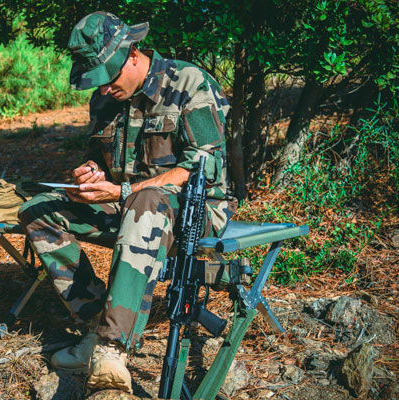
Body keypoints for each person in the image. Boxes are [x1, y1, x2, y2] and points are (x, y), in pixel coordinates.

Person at [18, 11, 237, 393]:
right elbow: (99, 161)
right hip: (130, 205)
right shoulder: (104, 101)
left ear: (133, 53)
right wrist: (88, 174)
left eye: (109, 78)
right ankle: (96, 322)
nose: (103, 90)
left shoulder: (190, 83)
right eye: (96, 82)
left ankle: (110, 348)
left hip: (194, 208)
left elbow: (200, 170)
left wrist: (121, 193)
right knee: (38, 211)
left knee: (147, 201)